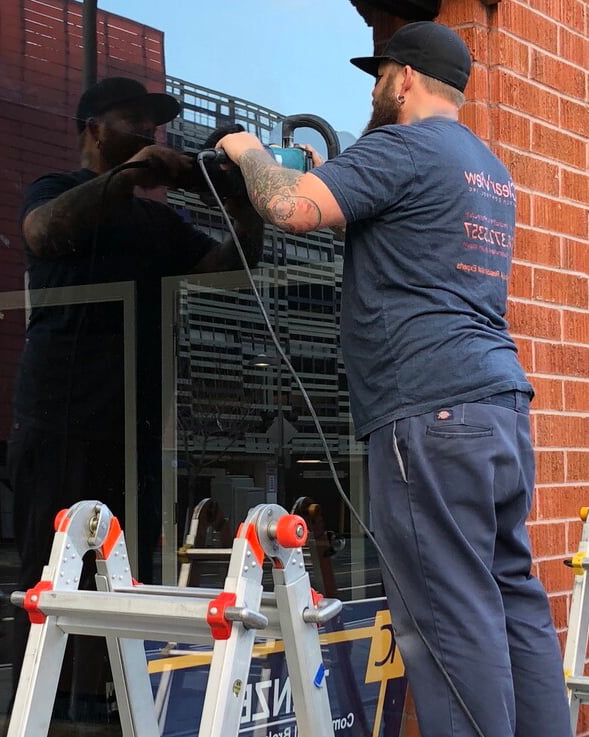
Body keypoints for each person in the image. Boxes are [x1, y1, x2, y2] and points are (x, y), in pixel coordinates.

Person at [216, 21, 572, 737]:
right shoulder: (485, 168)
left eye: (377, 75)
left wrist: (247, 150)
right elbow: (388, 221)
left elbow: (288, 205)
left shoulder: (401, 147)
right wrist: (320, 165)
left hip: (430, 410)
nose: (374, 88)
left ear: (402, 77)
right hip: (497, 405)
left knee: (446, 615)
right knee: (510, 597)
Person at [7, 76, 263, 724]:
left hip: (135, 423)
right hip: (61, 418)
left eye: (155, 128)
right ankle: (38, 708)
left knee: (121, 579)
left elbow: (224, 274)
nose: (150, 136)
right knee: (51, 575)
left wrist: (243, 208)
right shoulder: (57, 191)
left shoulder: (156, 222)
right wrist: (128, 176)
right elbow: (41, 232)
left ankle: (100, 704)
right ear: (93, 127)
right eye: (134, 121)